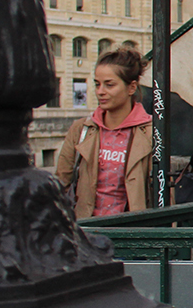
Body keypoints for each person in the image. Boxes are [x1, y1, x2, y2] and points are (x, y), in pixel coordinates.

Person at [57, 45, 153, 218]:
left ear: (131, 88)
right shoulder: (81, 129)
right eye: (97, 84)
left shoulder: (150, 132)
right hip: (87, 232)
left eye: (109, 85)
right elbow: (60, 182)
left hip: (132, 234)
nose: (100, 92)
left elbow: (162, 193)